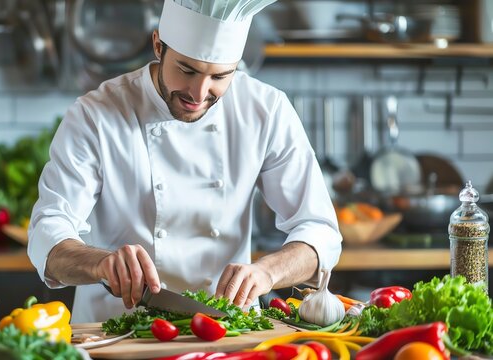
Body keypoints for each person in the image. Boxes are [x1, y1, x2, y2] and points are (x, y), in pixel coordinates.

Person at [28, 0, 342, 323]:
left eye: (220, 76)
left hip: (224, 332)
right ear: (158, 45)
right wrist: (101, 263)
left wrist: (266, 273)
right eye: (187, 70)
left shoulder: (266, 110)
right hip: (116, 336)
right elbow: (46, 235)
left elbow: (321, 232)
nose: (199, 93)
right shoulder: (96, 116)